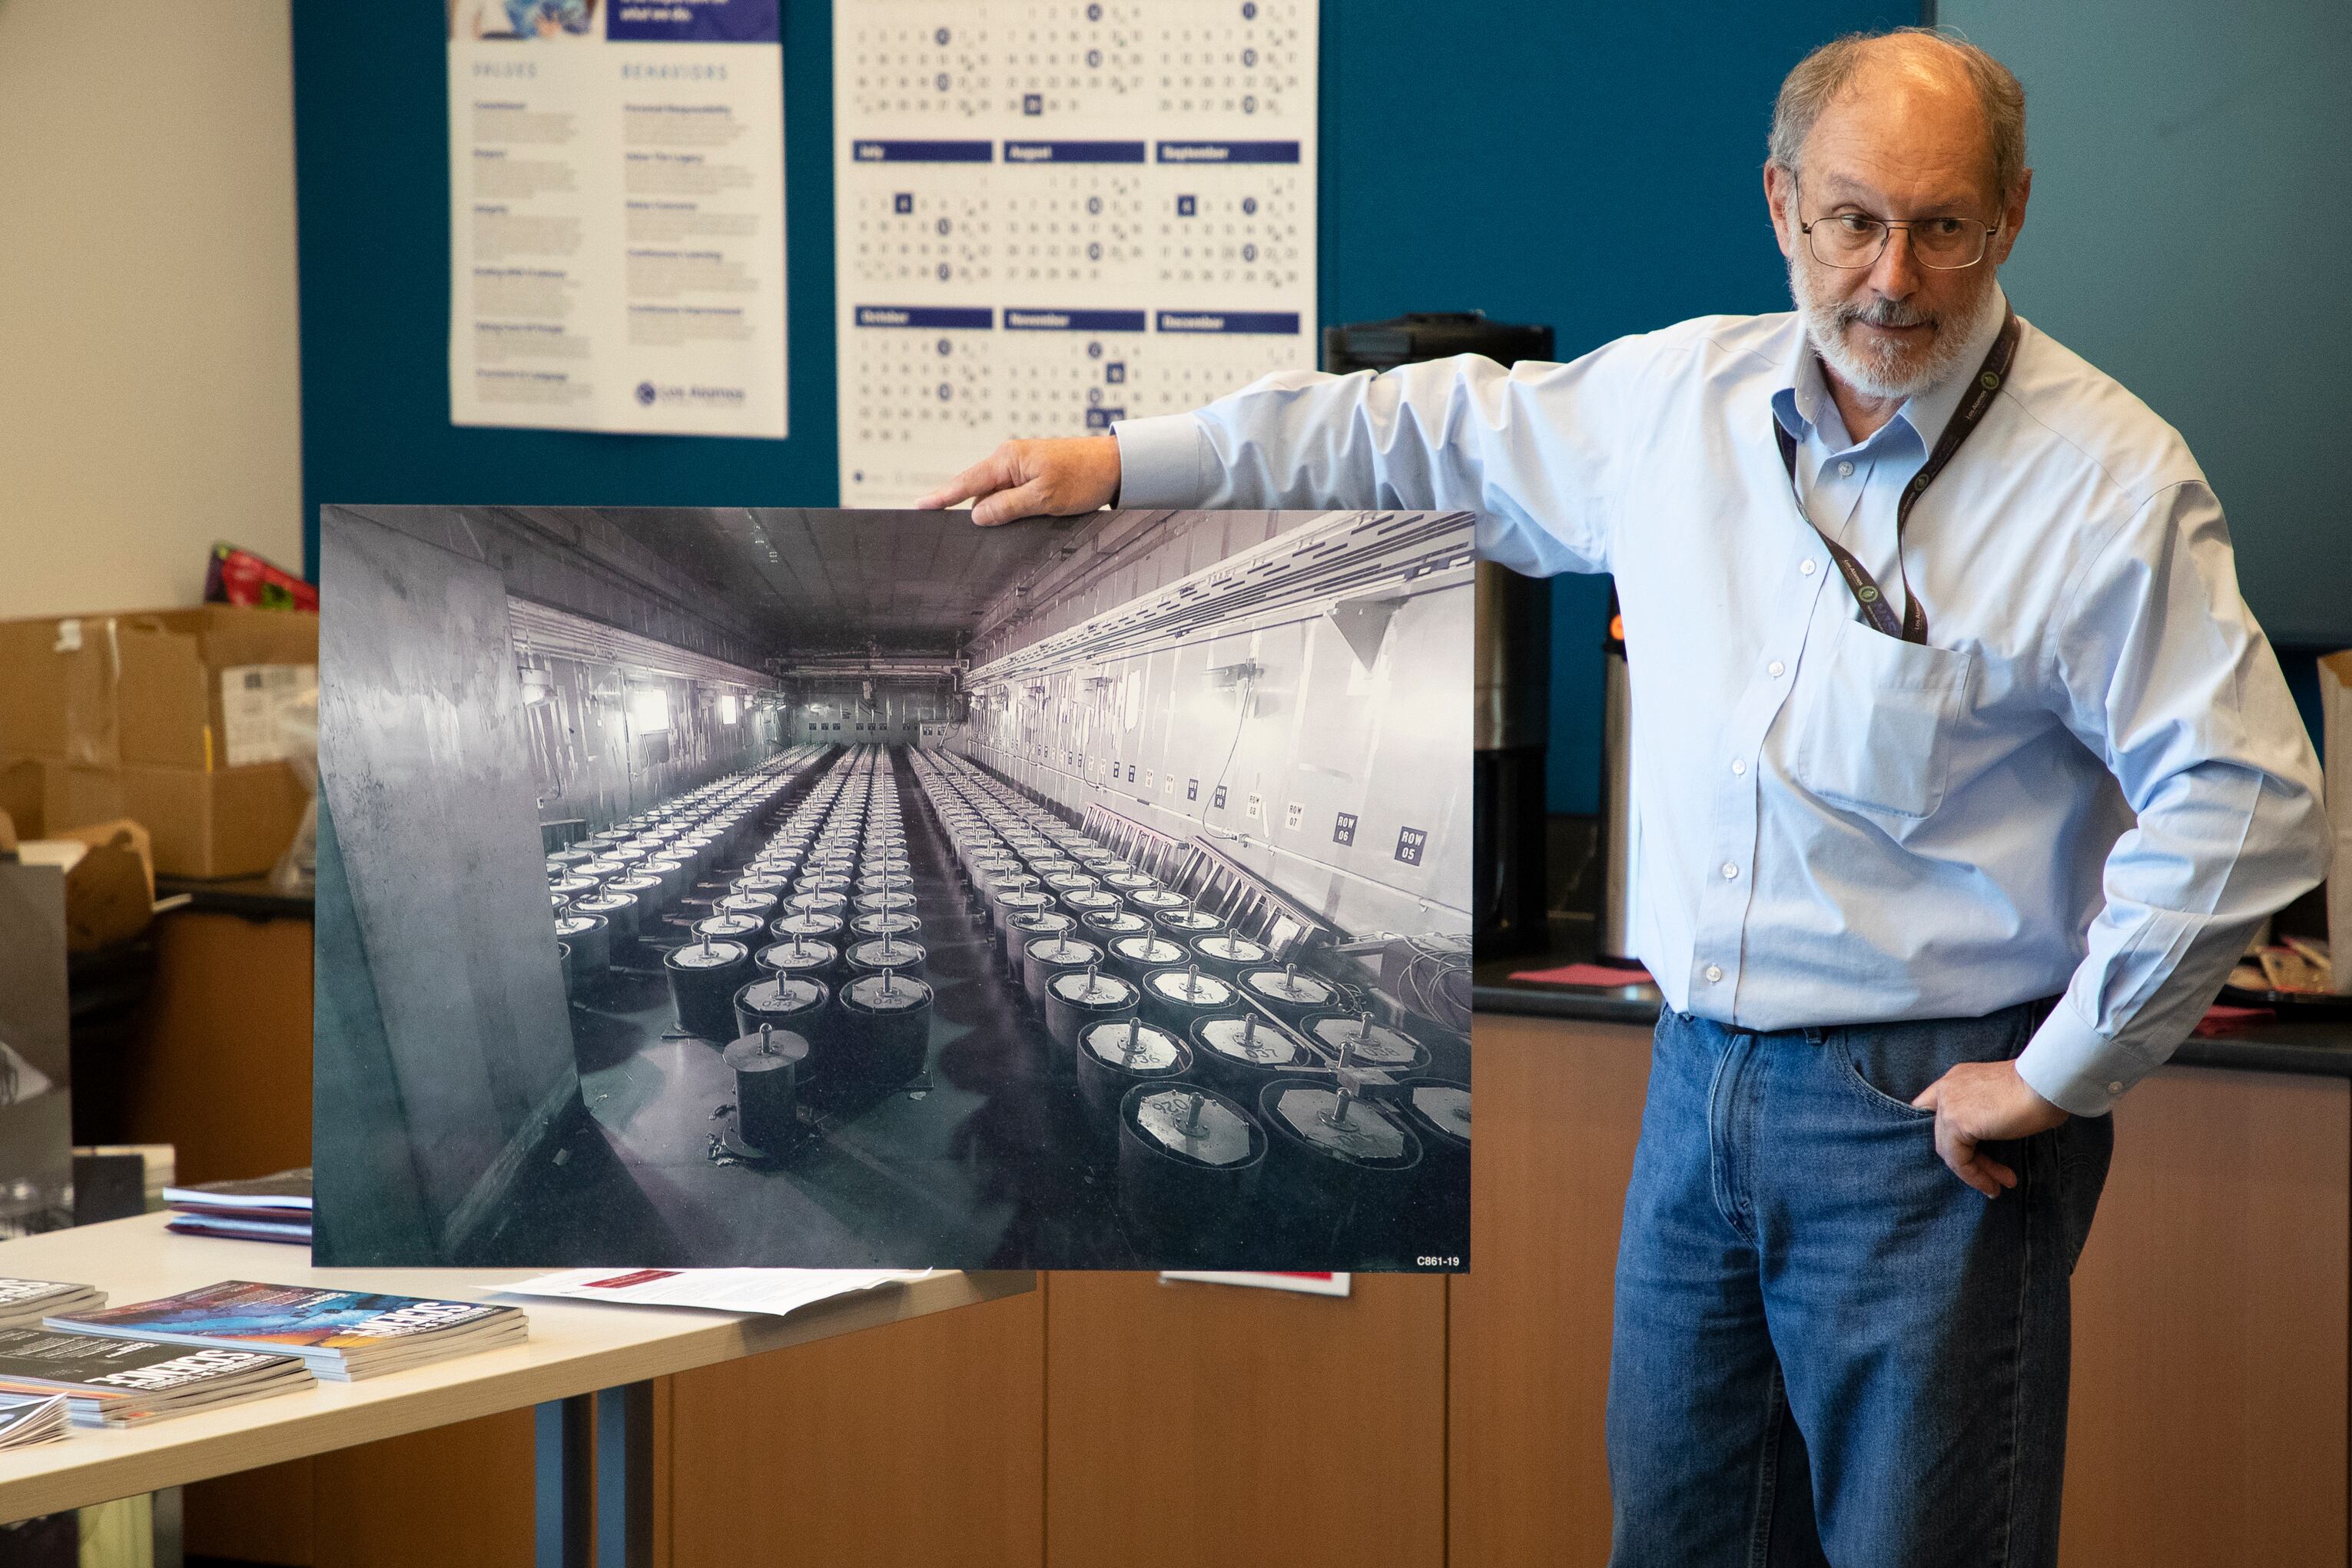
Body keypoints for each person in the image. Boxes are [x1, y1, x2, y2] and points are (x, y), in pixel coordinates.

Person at [918, 25, 2332, 1565]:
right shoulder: (1678, 403)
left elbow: (2244, 797)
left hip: (1927, 1123)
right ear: (1783, 203)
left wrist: (2063, 1070)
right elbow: (1412, 430)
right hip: (1696, 1091)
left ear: (2012, 215)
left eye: (1943, 228)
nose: (1891, 278)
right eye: (1854, 220)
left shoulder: (2105, 480)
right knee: (1676, 1537)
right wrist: (1121, 461)